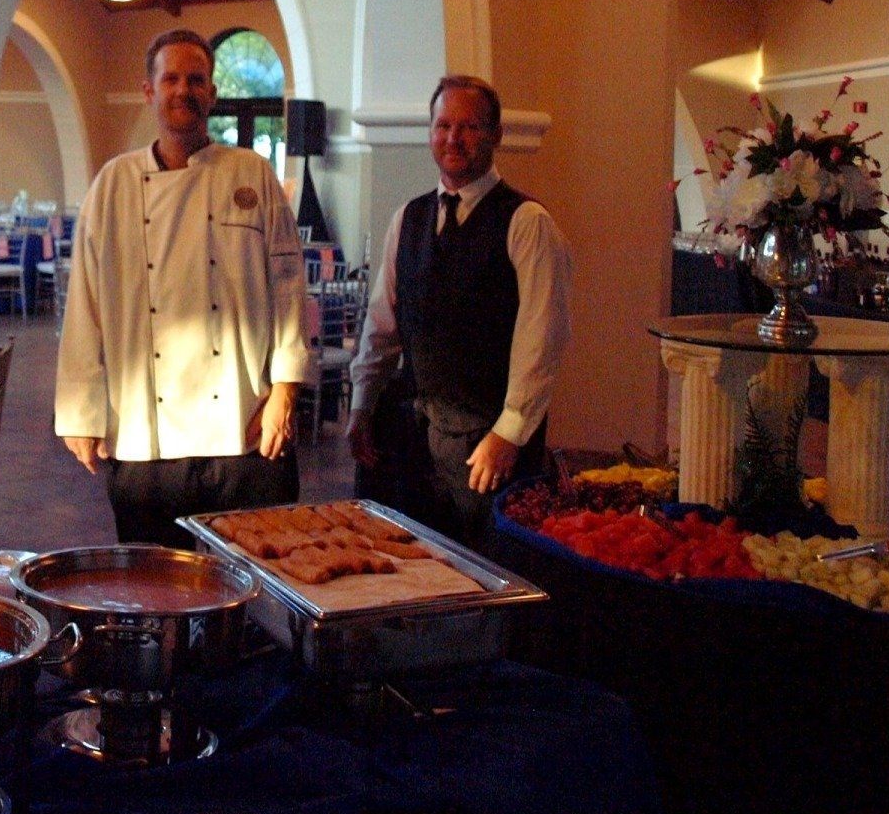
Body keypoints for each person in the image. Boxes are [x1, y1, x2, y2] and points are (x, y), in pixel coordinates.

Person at [56, 30, 312, 547]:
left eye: (196, 79)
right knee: (155, 590)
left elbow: (288, 287)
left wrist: (285, 388)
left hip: (243, 421)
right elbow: (84, 305)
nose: (183, 90)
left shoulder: (252, 174)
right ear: (149, 91)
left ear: (212, 94)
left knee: (255, 586)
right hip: (144, 433)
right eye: (170, 78)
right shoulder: (113, 184)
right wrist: (80, 413)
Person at [346, 75, 572, 543]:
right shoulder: (408, 216)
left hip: (488, 447)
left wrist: (509, 433)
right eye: (443, 125)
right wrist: (362, 404)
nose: (453, 138)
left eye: (469, 127)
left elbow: (542, 339)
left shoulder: (527, 221)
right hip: (413, 440)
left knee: (484, 576)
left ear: (495, 135)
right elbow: (382, 327)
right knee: (406, 567)